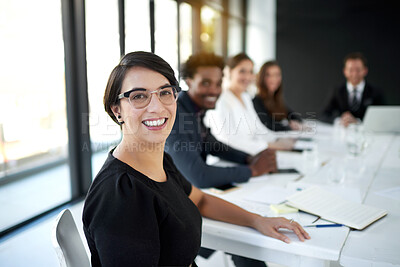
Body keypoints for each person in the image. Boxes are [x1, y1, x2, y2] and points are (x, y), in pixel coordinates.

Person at [82, 51, 310, 267]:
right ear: (116, 110)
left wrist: (257, 220)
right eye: (139, 96)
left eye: (165, 92)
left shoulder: (161, 162)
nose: (157, 107)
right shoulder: (119, 197)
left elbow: (200, 200)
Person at [166, 52, 277, 189]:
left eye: (218, 84)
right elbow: (200, 176)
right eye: (205, 83)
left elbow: (212, 144)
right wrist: (253, 170)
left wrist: (248, 158)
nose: (213, 90)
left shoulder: (194, 110)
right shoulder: (176, 114)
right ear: (189, 81)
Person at [204, 53, 296, 155]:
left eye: (250, 72)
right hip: (232, 161)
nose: (247, 77)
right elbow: (230, 141)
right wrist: (270, 145)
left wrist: (281, 138)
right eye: (242, 71)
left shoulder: (246, 98)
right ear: (230, 72)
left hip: (252, 156)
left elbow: (259, 129)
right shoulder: (221, 100)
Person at [321, 52, 384, 126]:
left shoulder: (375, 92)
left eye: (358, 70)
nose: (354, 74)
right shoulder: (338, 91)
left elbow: (383, 117)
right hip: (343, 133)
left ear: (365, 71)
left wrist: (358, 122)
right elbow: (324, 115)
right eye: (351, 70)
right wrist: (340, 120)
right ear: (345, 71)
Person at [252, 60, 303, 131]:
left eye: (277, 75)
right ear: (262, 78)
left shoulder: (276, 100)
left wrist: (295, 123)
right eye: (269, 75)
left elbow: (294, 116)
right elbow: (268, 124)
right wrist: (288, 126)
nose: (274, 79)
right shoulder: (256, 101)